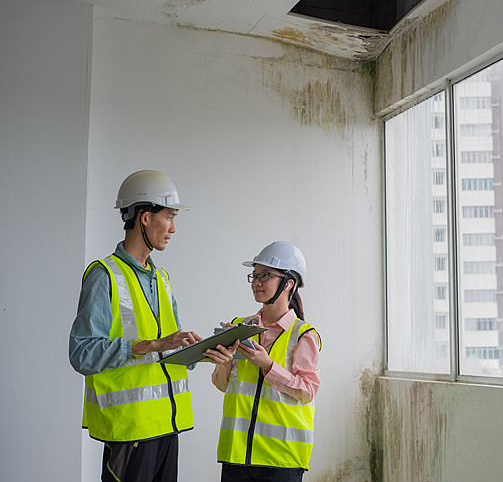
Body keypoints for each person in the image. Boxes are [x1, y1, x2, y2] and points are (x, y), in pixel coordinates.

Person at [69, 169, 201, 482]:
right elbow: (81, 354)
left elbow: (171, 348)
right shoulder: (104, 275)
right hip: (131, 432)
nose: (173, 228)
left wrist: (205, 351)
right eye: (169, 216)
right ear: (144, 217)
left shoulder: (162, 279)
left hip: (168, 428)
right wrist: (150, 345)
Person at [205, 241, 322, 482]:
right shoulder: (239, 326)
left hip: (280, 459)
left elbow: (308, 391)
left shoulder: (303, 335)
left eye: (265, 276)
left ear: (289, 283)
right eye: (255, 276)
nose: (257, 282)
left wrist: (267, 365)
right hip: (236, 454)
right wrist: (222, 361)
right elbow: (222, 385)